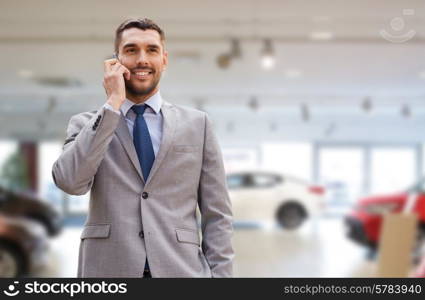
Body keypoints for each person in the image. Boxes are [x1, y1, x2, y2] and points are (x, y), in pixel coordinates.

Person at [52, 18, 234, 278]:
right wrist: (113, 103)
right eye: (131, 50)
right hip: (108, 271)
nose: (142, 59)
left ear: (164, 59)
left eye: (152, 50)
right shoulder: (87, 124)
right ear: (116, 61)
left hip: (181, 269)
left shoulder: (198, 124)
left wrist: (222, 278)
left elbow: (218, 214)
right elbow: (70, 182)